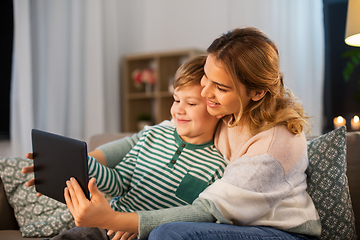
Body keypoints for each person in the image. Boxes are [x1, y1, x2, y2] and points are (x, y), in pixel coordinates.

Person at [35, 27, 323, 240]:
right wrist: (73, 160)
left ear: (258, 92)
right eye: (207, 80)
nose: (207, 93)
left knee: (168, 234)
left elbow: (208, 212)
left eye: (220, 88)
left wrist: (116, 218)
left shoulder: (272, 148)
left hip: (278, 232)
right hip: (237, 221)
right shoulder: (224, 111)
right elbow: (148, 136)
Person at [23, 55, 228, 240]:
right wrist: (79, 163)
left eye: (191, 104)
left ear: (215, 108)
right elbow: (118, 182)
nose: (178, 110)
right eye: (176, 100)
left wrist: (138, 225)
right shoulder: (153, 135)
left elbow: (196, 221)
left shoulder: (217, 166)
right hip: (105, 228)